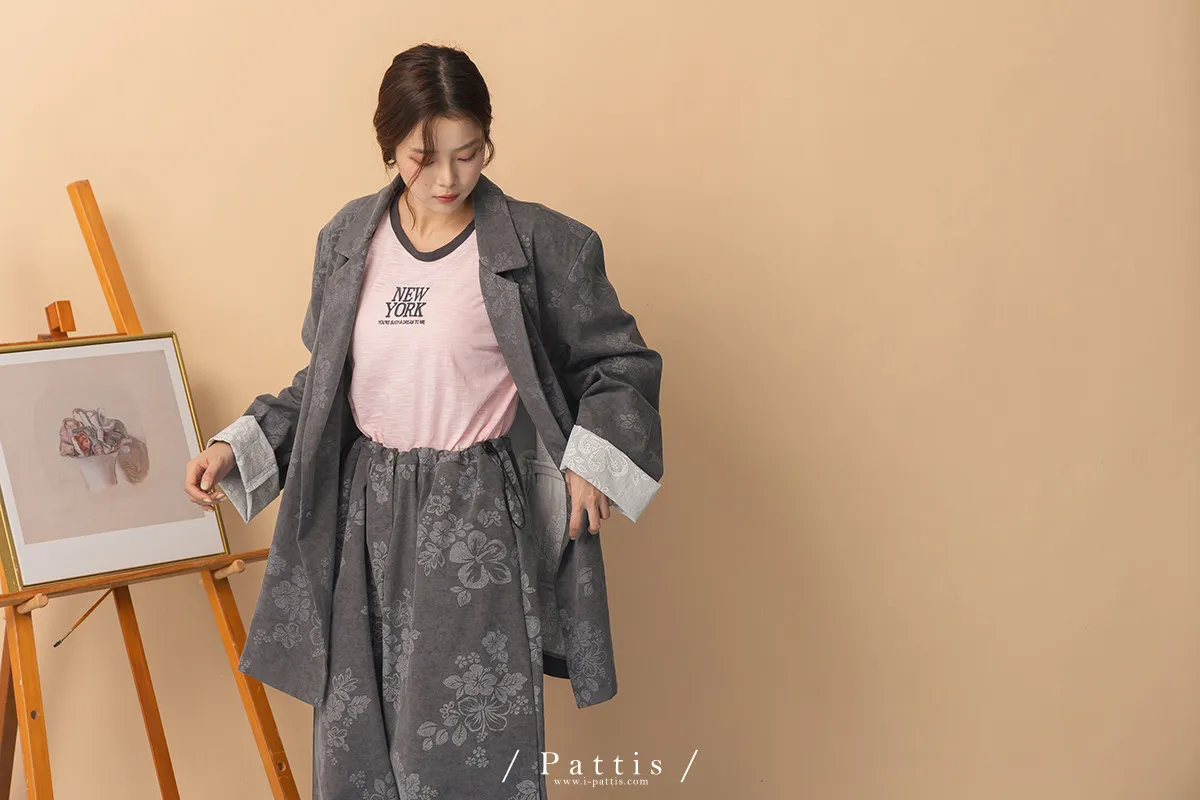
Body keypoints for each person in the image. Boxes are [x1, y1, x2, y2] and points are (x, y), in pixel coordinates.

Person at [183, 43, 664, 800]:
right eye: (422, 156)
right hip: (363, 513)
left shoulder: (543, 245)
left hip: (472, 518)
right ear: (389, 146)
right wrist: (235, 447)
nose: (446, 178)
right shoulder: (349, 240)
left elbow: (620, 363)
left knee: (464, 747)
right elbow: (324, 383)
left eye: (468, 154)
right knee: (355, 745)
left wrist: (589, 459)